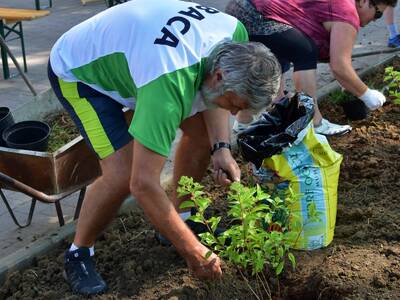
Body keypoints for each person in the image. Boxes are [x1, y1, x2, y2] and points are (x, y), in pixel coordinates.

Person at [47, 0, 281, 296]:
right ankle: (79, 252)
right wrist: (193, 251)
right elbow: (143, 184)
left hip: (139, 55)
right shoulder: (168, 83)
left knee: (202, 138)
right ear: (219, 76)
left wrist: (222, 148)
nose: (234, 114)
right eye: (235, 105)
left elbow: (218, 100)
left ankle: (183, 216)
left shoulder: (235, 35)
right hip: (81, 71)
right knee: (122, 173)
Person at [226, 0, 397, 136]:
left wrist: (350, 84)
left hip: (241, 9)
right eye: (378, 14)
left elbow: (338, 60)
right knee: (305, 51)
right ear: (364, 1)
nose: (375, 20)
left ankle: (245, 122)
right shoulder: (348, 13)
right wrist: (367, 95)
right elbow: (339, 66)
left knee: (282, 53)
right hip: (256, 14)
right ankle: (313, 122)